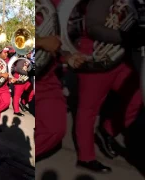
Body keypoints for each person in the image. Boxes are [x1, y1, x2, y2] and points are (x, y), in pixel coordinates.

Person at [73, 0, 143, 172]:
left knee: (138, 95)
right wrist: (125, 37)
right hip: (95, 60)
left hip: (118, 59)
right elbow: (93, 28)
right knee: (88, 111)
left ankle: (107, 131)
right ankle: (86, 157)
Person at [36, 0, 86, 162]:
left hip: (47, 77)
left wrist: (68, 58)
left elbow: (55, 44)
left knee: (54, 130)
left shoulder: (50, 7)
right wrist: (41, 42)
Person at [12, 52, 34, 116]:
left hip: (26, 80)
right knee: (17, 96)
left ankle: (23, 102)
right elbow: (17, 69)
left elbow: (30, 70)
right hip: (19, 80)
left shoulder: (28, 60)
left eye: (30, 53)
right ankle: (16, 111)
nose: (30, 55)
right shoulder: (20, 60)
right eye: (29, 53)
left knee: (32, 91)